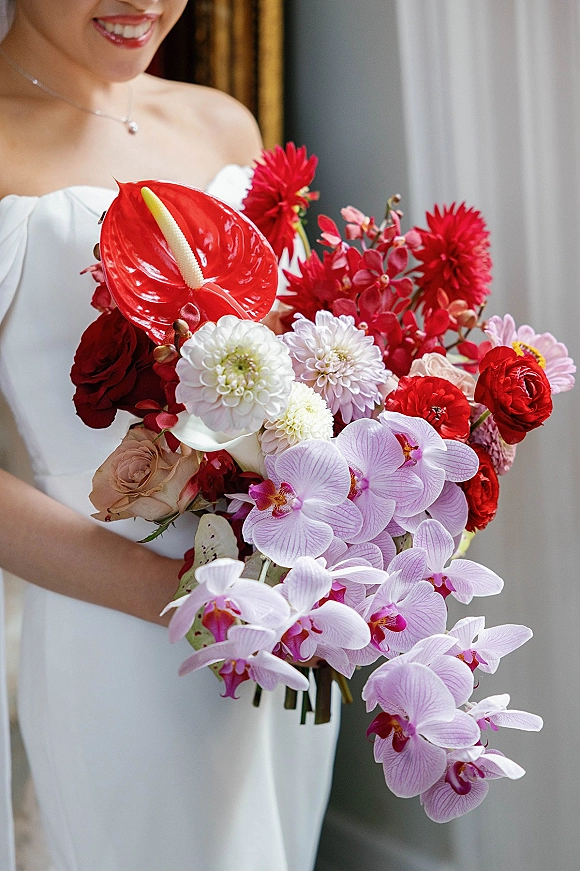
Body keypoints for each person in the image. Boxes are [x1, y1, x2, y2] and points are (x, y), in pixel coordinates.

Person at [0, 3, 340, 870]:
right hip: (120, 627)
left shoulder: (222, 119)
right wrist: (187, 596)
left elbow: (304, 358)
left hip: (284, 620)